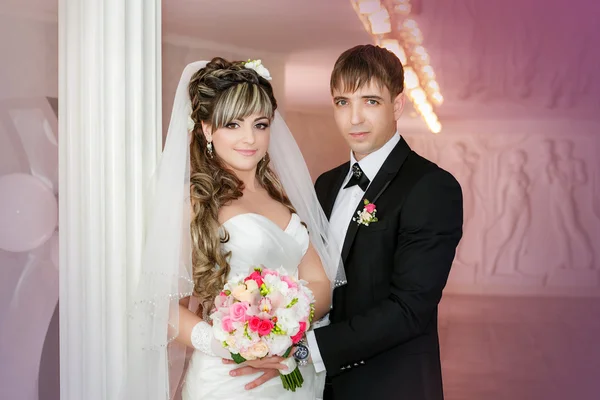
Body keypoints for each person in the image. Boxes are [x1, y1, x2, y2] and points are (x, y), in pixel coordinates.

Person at [123, 57, 345, 400]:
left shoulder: (280, 196)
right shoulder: (193, 202)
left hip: (294, 374)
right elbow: (159, 306)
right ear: (207, 129)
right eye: (233, 125)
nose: (249, 138)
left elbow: (319, 282)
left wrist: (285, 335)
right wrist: (236, 346)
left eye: (260, 124)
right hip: (230, 379)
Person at [308, 45, 463, 399]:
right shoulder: (325, 184)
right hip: (317, 387)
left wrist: (310, 348)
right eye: (342, 102)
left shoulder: (431, 186)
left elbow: (410, 308)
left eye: (371, 101)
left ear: (397, 105)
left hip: (390, 385)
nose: (354, 118)